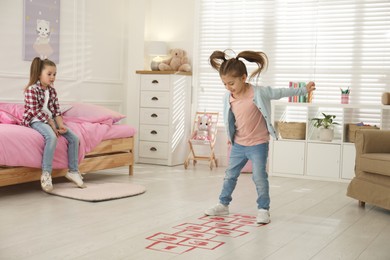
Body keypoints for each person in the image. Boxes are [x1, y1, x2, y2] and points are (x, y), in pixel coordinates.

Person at [205, 50, 316, 224]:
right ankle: (223, 204)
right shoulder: (227, 97)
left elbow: (280, 92)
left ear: (243, 77)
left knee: (259, 176)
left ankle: (263, 209)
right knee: (230, 175)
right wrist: (230, 135)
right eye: (225, 83)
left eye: (231, 83)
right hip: (239, 144)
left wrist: (304, 89)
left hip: (258, 144)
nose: (228, 87)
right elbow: (230, 118)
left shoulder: (258, 92)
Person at [22, 57, 85, 192]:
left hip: (50, 120)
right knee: (52, 137)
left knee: (74, 138)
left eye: (54, 74)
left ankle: (73, 171)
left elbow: (56, 111)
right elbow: (35, 111)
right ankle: (46, 174)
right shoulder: (32, 90)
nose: (52, 77)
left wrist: (60, 125)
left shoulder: (52, 91)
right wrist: (51, 124)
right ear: (39, 74)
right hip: (36, 120)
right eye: (49, 74)